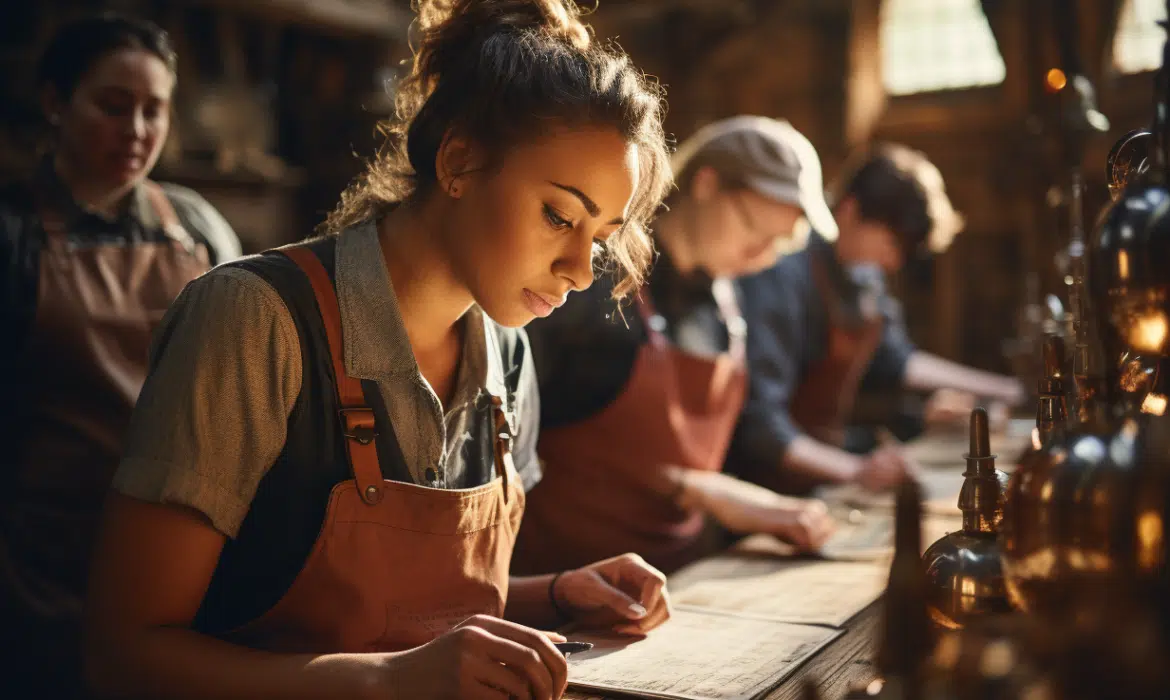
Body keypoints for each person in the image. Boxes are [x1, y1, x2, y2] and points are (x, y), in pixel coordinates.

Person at [83, 2, 673, 699]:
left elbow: (416, 610)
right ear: (458, 162)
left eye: (600, 236)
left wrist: (557, 594)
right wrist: (387, 681)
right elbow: (123, 657)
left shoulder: (508, 354)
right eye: (558, 215)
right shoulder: (253, 320)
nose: (580, 269)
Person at [0, 13, 241, 698]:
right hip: (41, 567)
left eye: (153, 110)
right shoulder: (14, 236)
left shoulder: (196, 228)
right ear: (55, 102)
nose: (136, 131)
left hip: (179, 559)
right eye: (113, 105)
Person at [512, 116, 837, 576]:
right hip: (567, 581)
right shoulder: (591, 288)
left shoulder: (727, 301)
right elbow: (513, 443)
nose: (761, 258)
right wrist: (690, 486)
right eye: (753, 232)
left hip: (686, 576)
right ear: (706, 184)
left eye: (778, 245)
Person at [731, 143, 1025, 497]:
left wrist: (1006, 389)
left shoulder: (862, 277)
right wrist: (857, 470)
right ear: (850, 211)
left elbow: (897, 360)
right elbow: (761, 425)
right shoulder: (783, 271)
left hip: (823, 476)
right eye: (890, 244)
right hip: (764, 486)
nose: (894, 262)